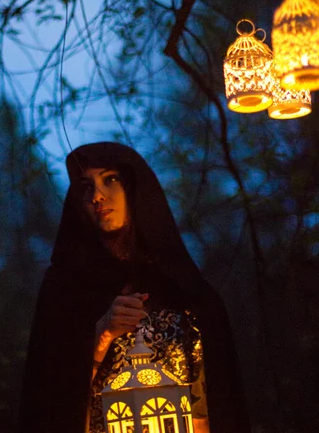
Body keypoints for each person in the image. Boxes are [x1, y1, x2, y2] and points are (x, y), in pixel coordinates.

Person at [19, 142, 250, 433]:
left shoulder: (185, 290)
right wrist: (100, 336)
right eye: (86, 187)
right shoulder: (65, 290)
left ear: (135, 188)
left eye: (110, 179)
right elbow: (48, 400)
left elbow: (217, 400)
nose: (98, 196)